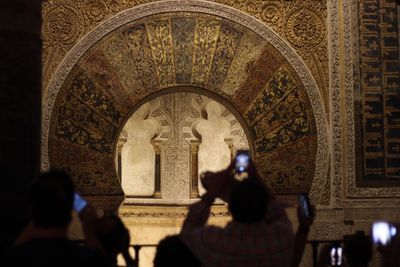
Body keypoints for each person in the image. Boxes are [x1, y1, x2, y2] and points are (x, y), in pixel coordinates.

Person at [180, 160, 294, 267]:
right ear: (265, 208)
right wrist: (256, 178)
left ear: (230, 208)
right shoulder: (281, 239)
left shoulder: (214, 241)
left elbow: (187, 234)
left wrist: (212, 192)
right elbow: (277, 211)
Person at [7, 170, 109, 267]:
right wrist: (90, 232)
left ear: (32, 210)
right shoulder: (86, 260)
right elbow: (100, 261)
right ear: (70, 214)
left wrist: (38, 211)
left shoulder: (15, 259)